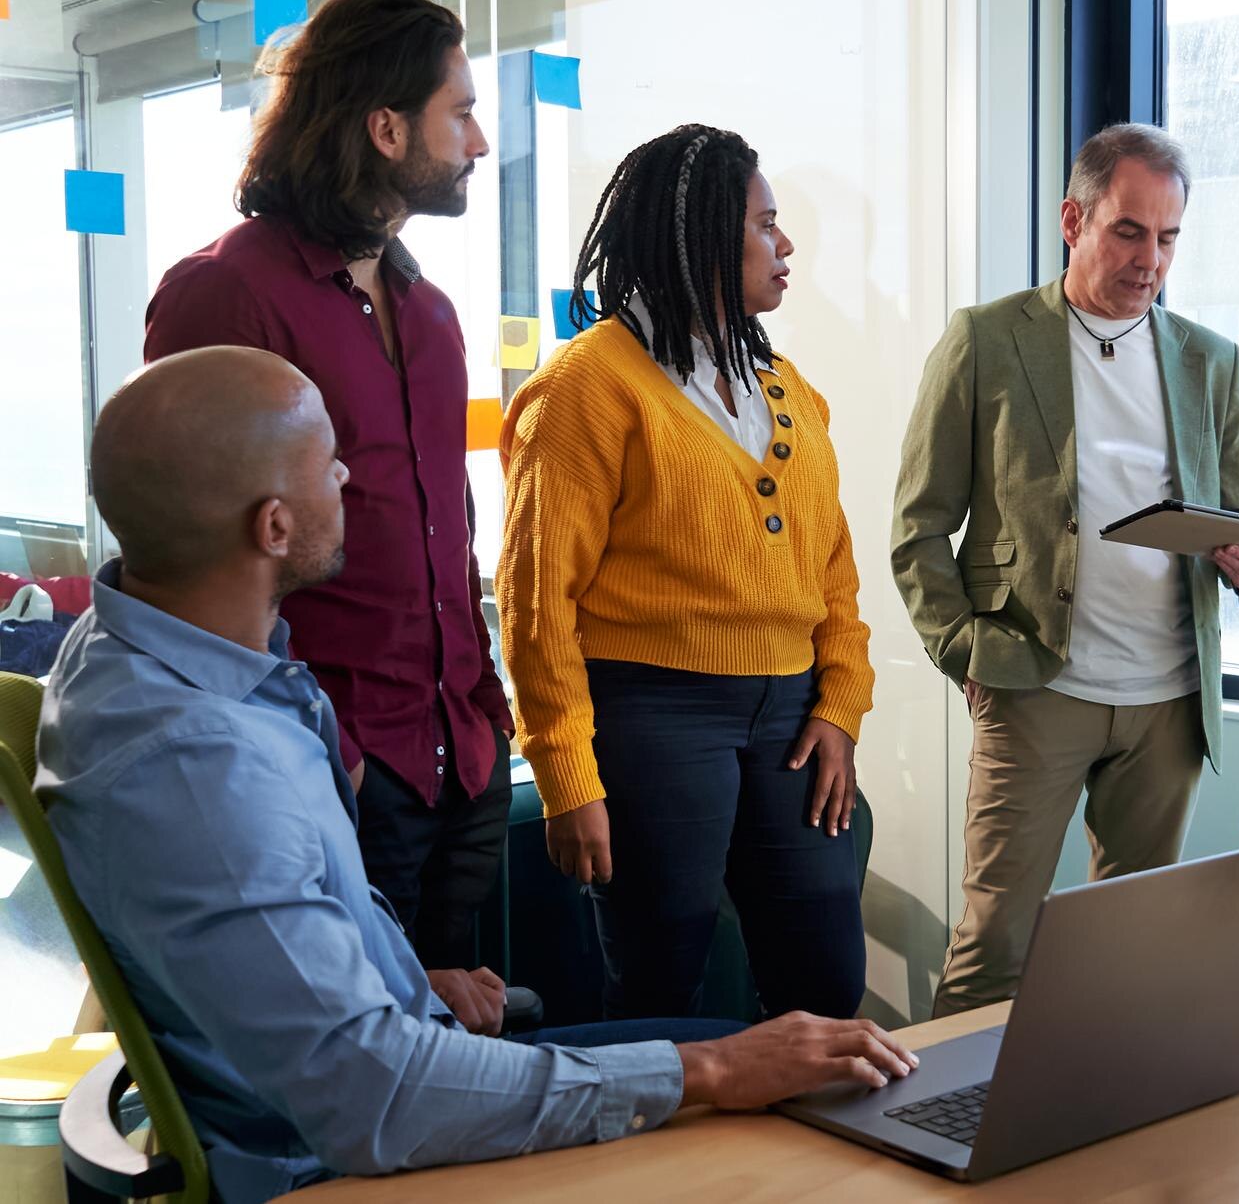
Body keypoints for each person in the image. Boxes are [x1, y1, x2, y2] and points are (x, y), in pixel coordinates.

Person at [35, 348, 915, 1203]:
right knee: (783, 1093)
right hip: (350, 1160)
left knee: (789, 1059)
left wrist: (406, 984)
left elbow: (287, 953)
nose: (347, 478)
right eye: (328, 463)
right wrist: (712, 1070)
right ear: (273, 526)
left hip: (386, 1063)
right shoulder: (200, 770)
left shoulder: (145, 649)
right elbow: (373, 1097)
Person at [143, 0, 516, 977]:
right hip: (332, 764)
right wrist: (304, 749)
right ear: (386, 128)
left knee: (461, 1071)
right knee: (351, 1086)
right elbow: (185, 551)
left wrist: (484, 702)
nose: (479, 141)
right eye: (462, 111)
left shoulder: (429, 310)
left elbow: (450, 525)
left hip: (458, 761)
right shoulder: (223, 292)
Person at [892, 122, 1239, 1018]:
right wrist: (970, 654)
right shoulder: (988, 339)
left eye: (1169, 237)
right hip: (1035, 685)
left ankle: (1103, 1137)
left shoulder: (1211, 362)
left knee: (1133, 947)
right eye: (1129, 231)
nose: (1151, 259)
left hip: (1171, 701)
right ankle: (939, 1139)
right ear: (1073, 220)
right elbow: (918, 530)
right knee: (993, 944)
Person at [498, 126, 873, 1022]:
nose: (785, 247)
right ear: (699, 236)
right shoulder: (587, 387)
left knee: (826, 974)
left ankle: (807, 1163)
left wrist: (840, 706)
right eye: (765, 225)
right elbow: (535, 603)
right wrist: (567, 777)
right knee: (659, 983)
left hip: (791, 714)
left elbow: (834, 575)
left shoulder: (788, 386)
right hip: (652, 713)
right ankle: (672, 1165)